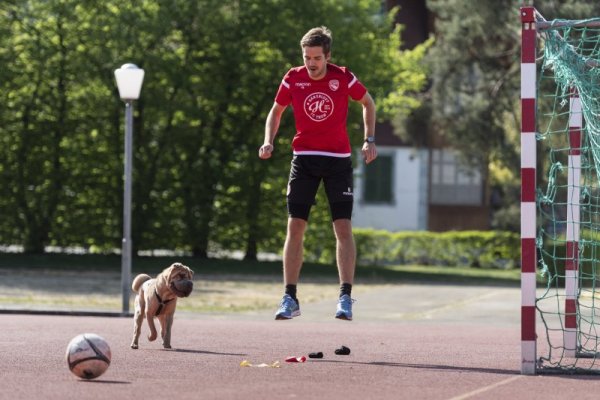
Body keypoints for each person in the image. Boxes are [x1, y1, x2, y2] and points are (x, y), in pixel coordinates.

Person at [258, 26, 377, 321]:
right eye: (306, 57)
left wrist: (369, 139)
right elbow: (276, 111)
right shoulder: (293, 77)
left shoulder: (342, 76)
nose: (311, 63)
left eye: (316, 58)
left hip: (337, 160)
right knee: (295, 226)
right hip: (304, 159)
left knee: (343, 228)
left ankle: (346, 297)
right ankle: (289, 298)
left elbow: (368, 103)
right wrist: (268, 140)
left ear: (327, 56)